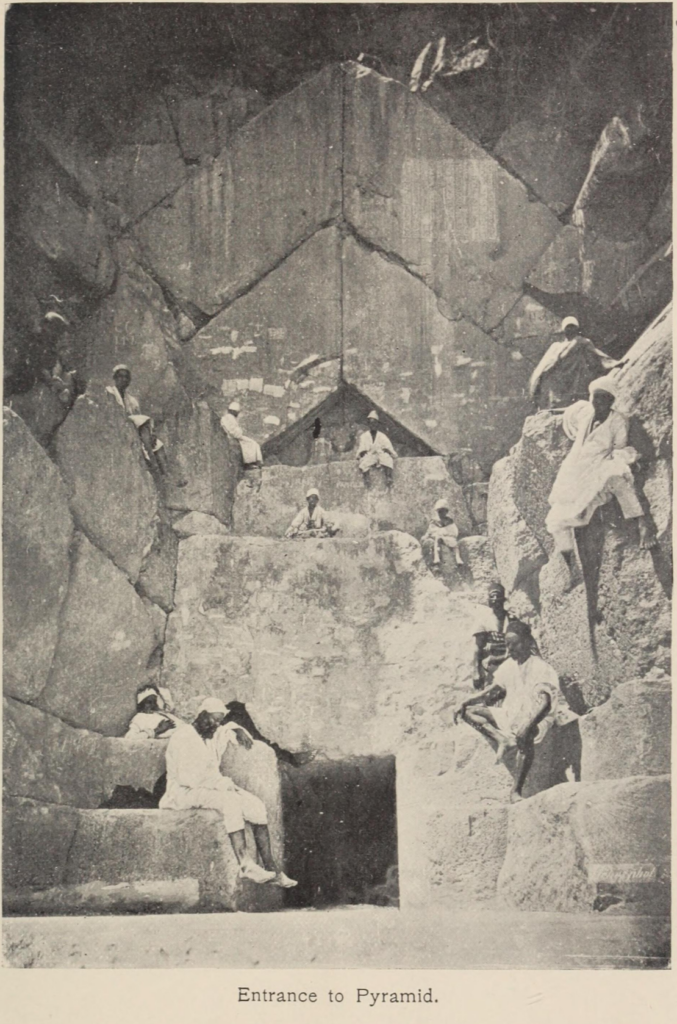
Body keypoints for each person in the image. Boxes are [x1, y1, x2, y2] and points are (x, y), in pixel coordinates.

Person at [159, 697, 297, 887]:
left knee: (256, 806)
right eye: (213, 720)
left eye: (218, 721)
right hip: (183, 792)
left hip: (210, 787)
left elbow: (227, 729)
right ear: (201, 715)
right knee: (230, 802)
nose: (215, 725)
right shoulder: (184, 737)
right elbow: (187, 778)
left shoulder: (210, 734)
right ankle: (245, 864)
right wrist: (220, 784)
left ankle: (273, 871)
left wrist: (237, 729)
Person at [546, 375, 656, 587]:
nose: (598, 402)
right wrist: (554, 414)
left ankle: (643, 523)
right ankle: (571, 567)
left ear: (611, 401)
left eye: (604, 398)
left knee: (616, 474)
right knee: (556, 521)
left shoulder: (618, 421)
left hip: (599, 471)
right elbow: (571, 413)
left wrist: (624, 462)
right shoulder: (585, 413)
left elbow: (619, 449)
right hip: (574, 474)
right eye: (595, 397)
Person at [453, 620, 577, 801]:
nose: (510, 649)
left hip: (538, 718)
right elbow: (492, 690)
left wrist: (527, 725)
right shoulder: (509, 665)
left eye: (514, 644)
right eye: (507, 645)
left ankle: (516, 791)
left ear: (526, 642)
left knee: (526, 735)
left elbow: (544, 704)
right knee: (469, 712)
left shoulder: (541, 668)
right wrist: (466, 701)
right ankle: (502, 739)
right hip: (512, 714)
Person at [529, 316, 617, 410]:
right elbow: (547, 364)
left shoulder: (582, 342)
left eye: (572, 327)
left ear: (577, 328)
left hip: (575, 378)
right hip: (559, 381)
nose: (570, 329)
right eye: (568, 327)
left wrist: (612, 363)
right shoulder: (556, 346)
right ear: (564, 329)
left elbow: (596, 355)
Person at [107, 365, 168, 476]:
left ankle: (166, 474)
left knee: (158, 445)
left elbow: (140, 420)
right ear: (115, 378)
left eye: (126, 377)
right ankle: (154, 465)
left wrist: (151, 434)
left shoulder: (132, 400)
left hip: (133, 433)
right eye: (120, 376)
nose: (123, 380)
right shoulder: (109, 393)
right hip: (115, 429)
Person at [471, 583, 511, 690]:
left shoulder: (511, 619)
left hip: (510, 665)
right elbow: (477, 648)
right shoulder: (484, 621)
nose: (495, 599)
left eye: (498, 596)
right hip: (490, 666)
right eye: (492, 596)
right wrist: (476, 671)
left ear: (503, 599)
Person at [220, 401, 263, 488]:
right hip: (234, 437)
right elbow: (234, 432)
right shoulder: (230, 418)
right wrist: (239, 432)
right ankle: (250, 462)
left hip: (234, 436)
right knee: (252, 443)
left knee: (252, 443)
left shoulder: (227, 417)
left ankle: (252, 461)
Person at [357, 410, 397, 488]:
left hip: (380, 455)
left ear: (377, 424)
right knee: (363, 461)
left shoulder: (382, 436)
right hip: (370, 456)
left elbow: (390, 450)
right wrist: (361, 453)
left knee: (387, 458)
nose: (373, 425)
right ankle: (366, 478)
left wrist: (388, 451)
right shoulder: (364, 436)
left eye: (374, 423)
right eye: (371, 423)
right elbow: (360, 450)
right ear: (368, 424)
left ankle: (388, 477)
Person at [421, 499, 464, 570]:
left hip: (448, 538)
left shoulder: (449, 521)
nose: (441, 513)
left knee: (455, 544)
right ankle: (437, 558)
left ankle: (458, 558)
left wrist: (447, 534)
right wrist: (426, 536)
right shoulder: (434, 522)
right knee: (437, 540)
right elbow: (430, 531)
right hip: (439, 538)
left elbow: (454, 532)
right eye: (439, 511)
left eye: (443, 511)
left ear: (446, 512)